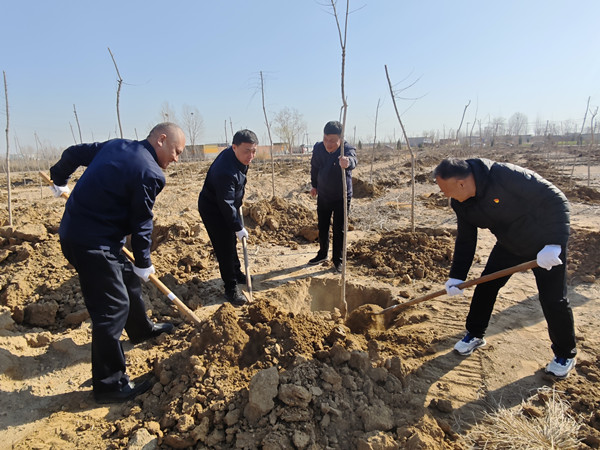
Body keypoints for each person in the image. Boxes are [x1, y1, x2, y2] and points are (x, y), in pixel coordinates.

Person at [49, 122, 185, 403]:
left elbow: (73, 153)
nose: (176, 159)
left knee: (127, 277)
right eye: (176, 151)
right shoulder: (150, 173)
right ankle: (109, 384)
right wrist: (144, 260)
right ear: (161, 140)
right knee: (112, 308)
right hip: (90, 244)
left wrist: (58, 177)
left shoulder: (116, 145)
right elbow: (141, 221)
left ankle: (140, 329)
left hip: (84, 232)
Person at [434, 157, 577, 378]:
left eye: (446, 190)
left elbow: (555, 199)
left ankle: (565, 354)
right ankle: (475, 334)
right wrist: (457, 276)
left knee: (553, 299)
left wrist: (554, 243)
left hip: (545, 245)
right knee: (486, 286)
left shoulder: (504, 175)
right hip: (509, 245)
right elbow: (466, 240)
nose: (445, 195)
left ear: (461, 183)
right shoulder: (461, 203)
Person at [197, 129, 258, 306]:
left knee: (231, 242)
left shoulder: (239, 158)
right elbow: (225, 203)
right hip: (213, 210)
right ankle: (230, 288)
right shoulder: (225, 171)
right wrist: (237, 227)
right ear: (234, 147)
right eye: (247, 151)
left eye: (254, 151)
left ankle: (236, 273)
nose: (251, 156)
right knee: (224, 247)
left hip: (227, 204)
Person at [308, 121, 358, 272]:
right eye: (325, 139)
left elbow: (353, 160)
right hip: (323, 194)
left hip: (341, 196)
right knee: (323, 226)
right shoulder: (318, 148)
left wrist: (348, 162)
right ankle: (322, 253)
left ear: (341, 139)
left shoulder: (346, 149)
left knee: (339, 229)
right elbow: (314, 167)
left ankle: (338, 260)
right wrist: (314, 185)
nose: (328, 144)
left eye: (332, 141)